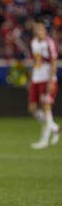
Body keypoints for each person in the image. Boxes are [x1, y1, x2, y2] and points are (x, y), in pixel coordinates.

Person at [28, 21, 60, 149]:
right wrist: (31, 77)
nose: (38, 31)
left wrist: (51, 80)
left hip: (47, 79)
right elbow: (36, 61)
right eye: (36, 29)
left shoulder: (49, 43)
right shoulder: (34, 43)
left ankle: (44, 140)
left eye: (40, 29)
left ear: (44, 30)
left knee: (46, 108)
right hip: (36, 78)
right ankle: (55, 128)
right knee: (33, 109)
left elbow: (53, 61)